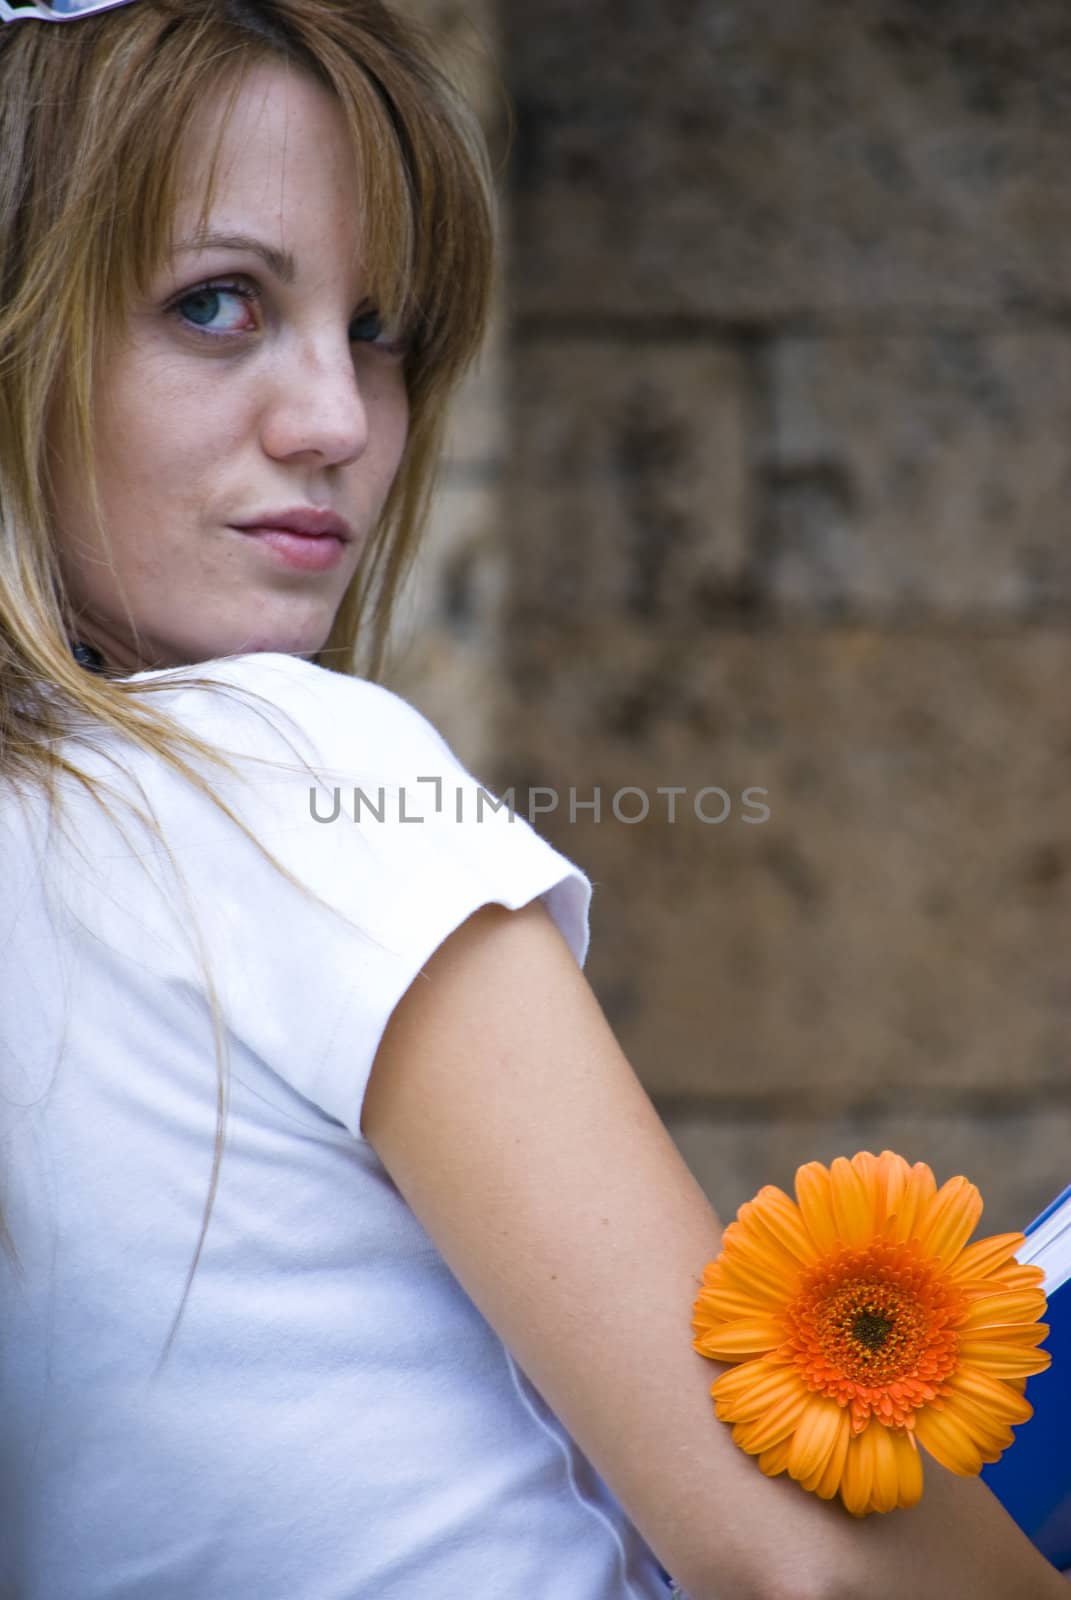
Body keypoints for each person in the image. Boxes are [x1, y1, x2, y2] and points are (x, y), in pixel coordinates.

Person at [0, 3, 1066, 1597]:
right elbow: (808, 1570)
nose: (339, 425)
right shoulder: (285, 766)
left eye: (381, 331)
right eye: (217, 305)